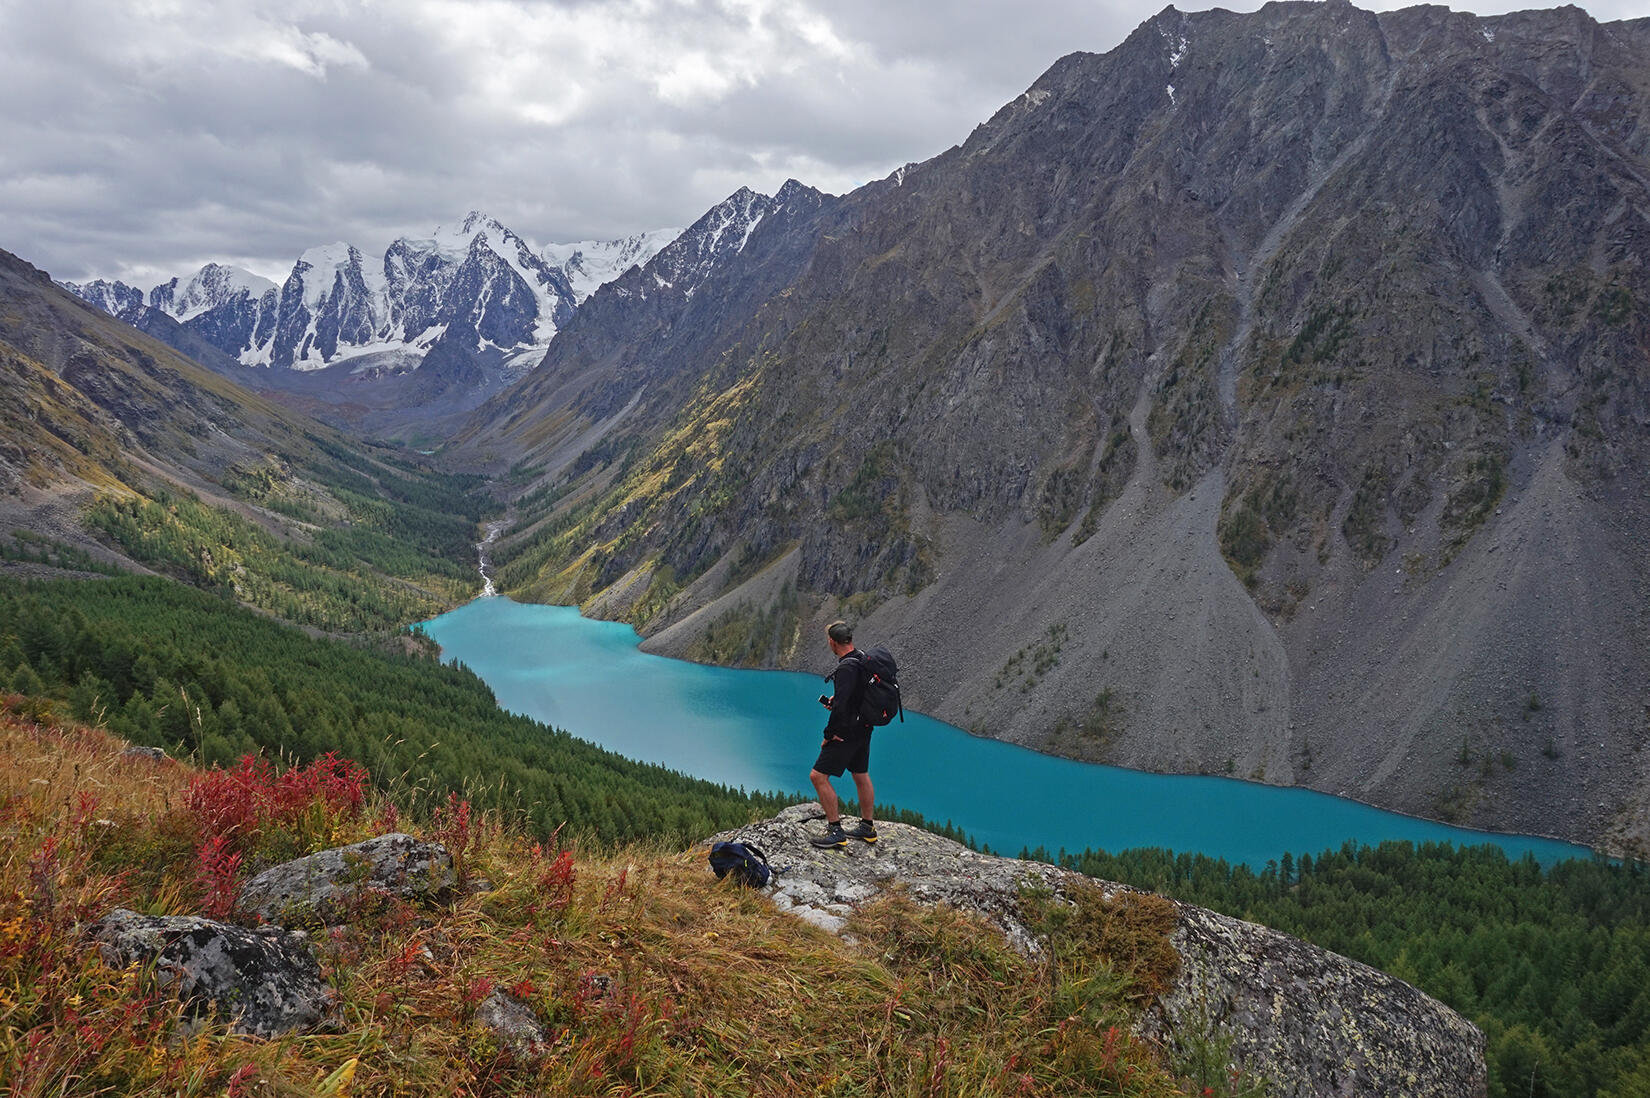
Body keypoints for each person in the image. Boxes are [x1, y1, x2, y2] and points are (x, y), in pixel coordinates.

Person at [809, 620, 878, 848]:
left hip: (846, 732)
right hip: (864, 728)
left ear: (832, 641)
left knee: (818, 777)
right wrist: (836, 700)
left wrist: (829, 734)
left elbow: (841, 709)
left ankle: (836, 831)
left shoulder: (846, 668)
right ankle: (867, 828)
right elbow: (852, 697)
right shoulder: (862, 657)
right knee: (860, 774)